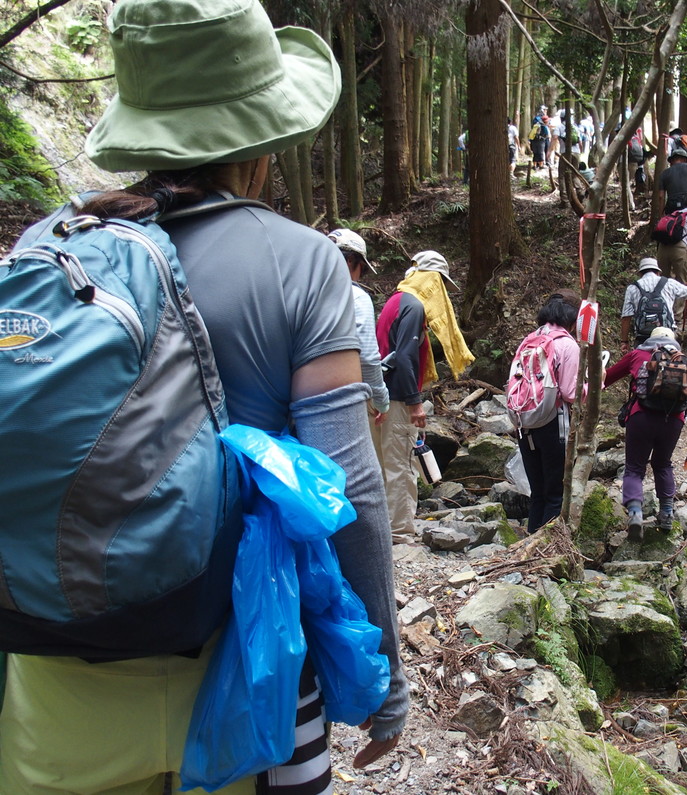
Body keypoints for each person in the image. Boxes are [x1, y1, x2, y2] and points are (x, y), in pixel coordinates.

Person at [0, 1, 408, 792]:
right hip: (241, 675)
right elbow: (349, 488)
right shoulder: (303, 263)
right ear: (261, 134)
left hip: (55, 681)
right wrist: (384, 673)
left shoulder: (50, 248)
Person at [375, 251, 474, 545]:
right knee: (400, 465)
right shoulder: (414, 305)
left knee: (384, 464)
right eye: (442, 283)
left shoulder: (397, 299)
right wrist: (415, 402)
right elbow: (404, 357)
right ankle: (400, 533)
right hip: (395, 398)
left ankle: (385, 526)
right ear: (433, 281)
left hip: (380, 394)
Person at [604, 327, 687, 539]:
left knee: (634, 467)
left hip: (640, 417)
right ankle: (667, 513)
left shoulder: (638, 354)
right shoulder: (683, 359)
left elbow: (608, 377)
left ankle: (635, 512)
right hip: (673, 421)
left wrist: (587, 391)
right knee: (663, 463)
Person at [513, 291, 581, 533]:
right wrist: (596, 384)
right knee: (555, 494)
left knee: (538, 493)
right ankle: (547, 551)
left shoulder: (528, 340)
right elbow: (571, 393)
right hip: (553, 424)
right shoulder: (567, 345)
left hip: (524, 424)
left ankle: (531, 543)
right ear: (573, 320)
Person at [328, 228, 390, 444]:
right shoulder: (355, 296)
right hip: (346, 402)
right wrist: (381, 400)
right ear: (351, 261)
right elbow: (368, 357)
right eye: (361, 269)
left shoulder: (302, 292)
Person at [619, 258, 687, 354]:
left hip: (643, 337)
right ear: (658, 272)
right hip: (666, 334)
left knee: (641, 362)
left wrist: (624, 341)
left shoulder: (632, 288)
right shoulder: (669, 283)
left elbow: (626, 317)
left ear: (640, 273)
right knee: (668, 363)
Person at [656, 147, 687, 214]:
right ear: (684, 159)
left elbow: (661, 196)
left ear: (672, 161)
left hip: (672, 206)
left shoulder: (664, 173)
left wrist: (661, 214)